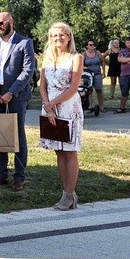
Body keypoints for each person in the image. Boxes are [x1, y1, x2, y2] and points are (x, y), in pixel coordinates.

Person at [0, 11, 36, 191]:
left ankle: (19, 177)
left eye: (1, 23)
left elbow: (28, 71)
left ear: (10, 22)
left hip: (17, 97)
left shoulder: (24, 43)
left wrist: (11, 93)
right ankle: (1, 174)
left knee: (17, 135)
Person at [40, 22, 84, 211]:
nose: (58, 38)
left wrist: (52, 103)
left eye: (62, 35)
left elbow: (73, 88)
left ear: (69, 36)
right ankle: (67, 192)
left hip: (68, 107)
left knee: (69, 151)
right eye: (54, 35)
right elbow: (42, 85)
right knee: (58, 150)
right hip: (49, 108)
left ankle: (69, 194)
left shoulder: (76, 58)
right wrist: (48, 107)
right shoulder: (47, 58)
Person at [115, 36, 130, 114]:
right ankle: (122, 108)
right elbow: (120, 60)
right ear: (125, 43)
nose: (129, 44)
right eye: (128, 43)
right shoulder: (122, 51)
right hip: (124, 75)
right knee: (124, 92)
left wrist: (126, 61)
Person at [83, 40, 105, 112]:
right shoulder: (84, 54)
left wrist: (104, 72)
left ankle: (102, 107)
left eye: (93, 44)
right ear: (87, 46)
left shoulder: (98, 53)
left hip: (97, 73)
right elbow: (80, 65)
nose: (92, 46)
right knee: (89, 90)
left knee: (99, 90)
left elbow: (103, 62)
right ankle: (90, 106)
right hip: (88, 75)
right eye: (90, 45)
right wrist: (84, 68)